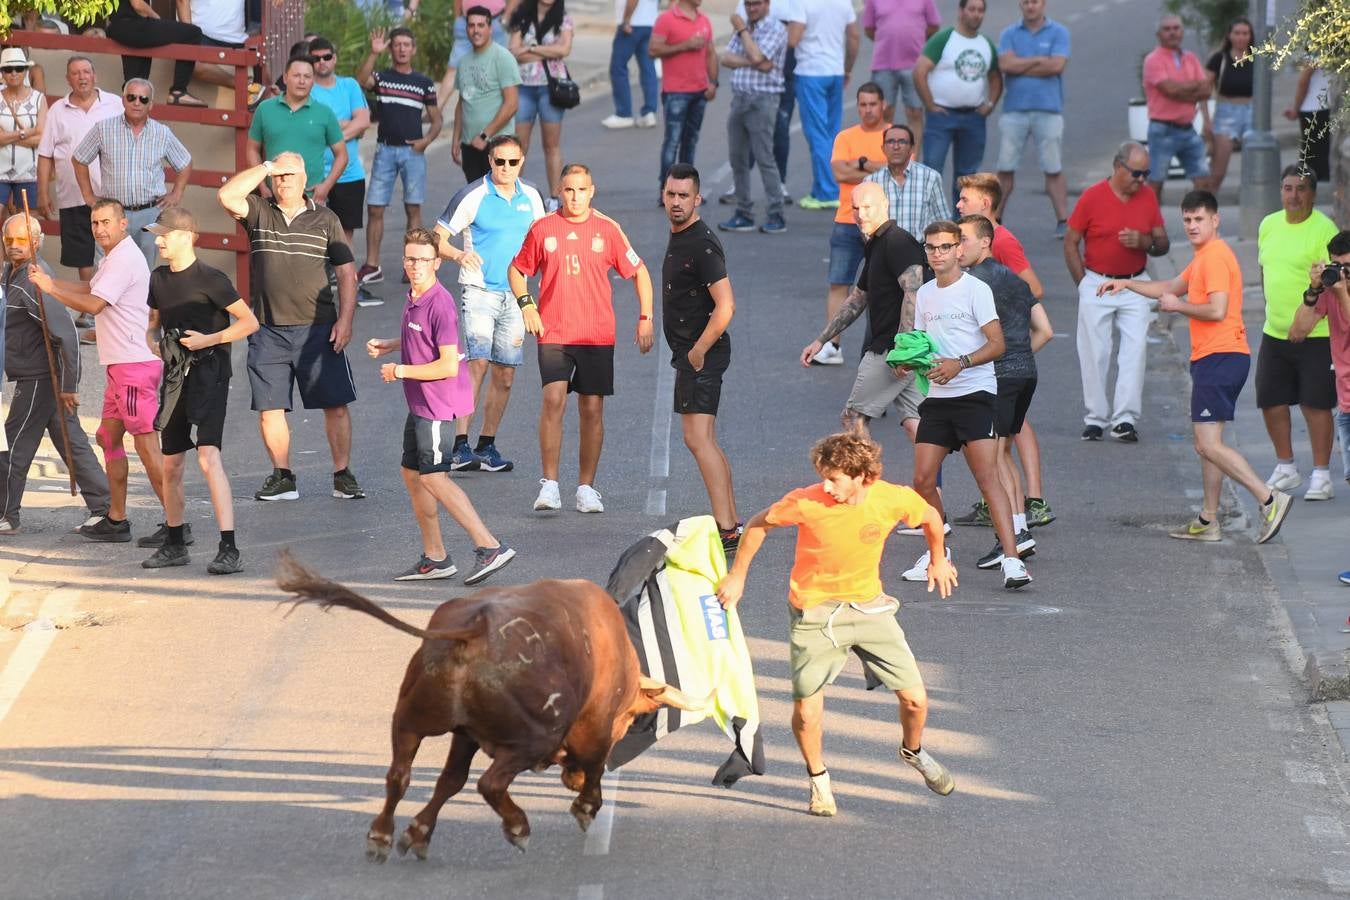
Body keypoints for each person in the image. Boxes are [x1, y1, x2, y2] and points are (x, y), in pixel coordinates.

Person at [714, 431, 958, 817]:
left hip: (868, 608)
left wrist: (937, 557)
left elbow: (930, 516)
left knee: (916, 699)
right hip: (815, 611)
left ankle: (912, 751)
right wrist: (738, 576)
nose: (826, 487)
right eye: (823, 477)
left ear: (863, 476)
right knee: (809, 710)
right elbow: (759, 524)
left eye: (835, 479)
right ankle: (819, 780)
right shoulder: (806, 501)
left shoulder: (889, 498)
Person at [1098, 191, 1293, 544]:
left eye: (1199, 219)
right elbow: (1167, 287)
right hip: (1215, 358)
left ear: (1215, 220)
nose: (1191, 226)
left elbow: (1216, 309)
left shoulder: (1216, 257)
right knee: (1208, 443)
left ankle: (1269, 498)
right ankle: (1208, 519)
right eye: (1187, 219)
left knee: (1207, 444)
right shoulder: (1202, 257)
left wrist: (1179, 307)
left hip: (1221, 356)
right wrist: (1127, 283)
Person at [367, 228, 518, 584]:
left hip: (436, 405)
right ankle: (435, 557)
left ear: (436, 262)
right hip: (419, 403)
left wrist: (399, 370)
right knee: (411, 473)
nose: (415, 265)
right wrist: (390, 346)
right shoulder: (415, 296)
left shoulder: (440, 303)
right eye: (409, 259)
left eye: (422, 259)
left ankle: (489, 546)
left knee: (434, 476)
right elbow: (420, 340)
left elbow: (448, 364)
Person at [507, 163, 654, 513]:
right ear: (559, 190)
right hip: (554, 330)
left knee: (591, 408)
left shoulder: (608, 231)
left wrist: (645, 317)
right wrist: (527, 305)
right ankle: (550, 485)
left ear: (592, 191)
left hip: (596, 332)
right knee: (553, 399)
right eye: (569, 190)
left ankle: (586, 488)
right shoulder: (543, 229)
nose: (575, 197)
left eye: (581, 190)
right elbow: (517, 269)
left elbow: (640, 271)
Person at [217, 152, 363, 503]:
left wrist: (345, 320)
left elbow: (346, 273)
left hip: (319, 328)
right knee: (270, 409)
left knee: (337, 406)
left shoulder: (326, 218)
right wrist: (266, 167)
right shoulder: (259, 213)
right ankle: (282, 476)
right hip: (268, 329)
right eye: (278, 176)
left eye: (289, 175)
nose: (283, 181)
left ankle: (342, 474)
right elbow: (226, 196)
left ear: (304, 177)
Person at [28, 198, 168, 543]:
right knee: (109, 437)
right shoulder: (113, 257)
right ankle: (117, 519)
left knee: (147, 447)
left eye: (106, 222)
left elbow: (94, 305)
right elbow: (90, 288)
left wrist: (50, 289)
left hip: (134, 367)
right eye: (95, 223)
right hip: (119, 368)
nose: (99, 229)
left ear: (123, 224)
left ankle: (176, 522)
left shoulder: (124, 258)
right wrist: (52, 282)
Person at [904, 219, 1030, 589]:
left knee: (987, 477)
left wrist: (959, 363)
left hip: (975, 393)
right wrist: (910, 360)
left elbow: (997, 344)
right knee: (922, 479)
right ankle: (938, 553)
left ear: (959, 249)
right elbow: (926, 343)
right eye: (931, 248)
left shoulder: (976, 290)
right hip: (938, 396)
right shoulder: (925, 294)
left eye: (944, 247)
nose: (937, 253)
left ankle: (1013, 560)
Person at [140, 205, 258, 574]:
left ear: (185, 236)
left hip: (211, 375)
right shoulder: (158, 278)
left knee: (208, 458)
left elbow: (249, 322)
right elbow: (153, 322)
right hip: (176, 378)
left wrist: (212, 339)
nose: (158, 240)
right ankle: (175, 543)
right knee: (172, 463)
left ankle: (229, 548)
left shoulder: (211, 278)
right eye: (157, 234)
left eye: (164, 234)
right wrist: (153, 343)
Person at [434, 133, 546, 473]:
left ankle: (487, 446)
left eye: (513, 162)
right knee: (478, 364)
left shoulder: (532, 196)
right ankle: (459, 445)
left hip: (516, 296)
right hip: (480, 291)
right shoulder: (473, 195)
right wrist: (458, 255)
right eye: (500, 161)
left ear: (522, 161)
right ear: (490, 162)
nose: (506, 168)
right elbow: (436, 238)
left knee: (506, 373)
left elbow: (543, 240)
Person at [0, 213, 110, 536]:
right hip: (34, 374)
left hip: (41, 376)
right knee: (70, 441)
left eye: (21, 241)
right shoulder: (11, 272)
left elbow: (68, 335)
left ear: (35, 243)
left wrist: (69, 386)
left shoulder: (37, 281)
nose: (13, 246)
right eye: (8, 241)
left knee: (17, 439)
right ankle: (104, 506)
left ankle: (8, 515)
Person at [953, 171, 1051, 527]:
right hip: (1018, 367)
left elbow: (1034, 289)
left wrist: (999, 353)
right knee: (1001, 452)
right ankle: (1017, 522)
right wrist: (1019, 352)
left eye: (965, 199)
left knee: (996, 456)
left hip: (999, 369)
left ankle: (1017, 526)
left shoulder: (1000, 246)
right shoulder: (989, 267)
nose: (958, 203)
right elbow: (1046, 328)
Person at [798, 181, 926, 442]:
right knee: (916, 423)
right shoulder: (877, 243)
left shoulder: (897, 242)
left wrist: (904, 350)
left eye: (868, 207)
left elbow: (914, 294)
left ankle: (864, 480)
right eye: (856, 207)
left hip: (891, 350)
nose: (861, 214)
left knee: (853, 417)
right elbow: (858, 298)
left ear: (885, 206)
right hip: (904, 351)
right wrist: (821, 340)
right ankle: (929, 484)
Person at [1063, 141, 1169, 443]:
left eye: (1146, 173)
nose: (1142, 180)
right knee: (1095, 352)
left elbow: (1162, 244)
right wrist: (1082, 282)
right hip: (1098, 281)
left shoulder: (1147, 196)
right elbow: (1070, 242)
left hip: (1136, 283)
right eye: (1136, 173)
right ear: (1117, 166)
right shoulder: (1093, 197)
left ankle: (1124, 419)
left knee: (1135, 351)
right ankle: (1095, 417)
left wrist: (1145, 241)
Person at [661, 164, 741, 552]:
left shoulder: (700, 244)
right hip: (693, 353)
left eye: (683, 196)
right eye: (671, 194)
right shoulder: (682, 235)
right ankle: (730, 521)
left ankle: (726, 528)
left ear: (697, 199)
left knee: (697, 439)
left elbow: (726, 305)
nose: (676, 202)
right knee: (704, 438)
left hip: (701, 353)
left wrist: (697, 351)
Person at [1256, 166, 1340, 501]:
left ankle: (1321, 475)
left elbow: (1333, 283)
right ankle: (1286, 466)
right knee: (1270, 399)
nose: (1294, 195)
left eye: (1301, 189)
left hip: (1316, 333)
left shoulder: (1324, 230)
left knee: (1315, 403)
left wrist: (1305, 320)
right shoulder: (1268, 224)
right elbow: (1265, 269)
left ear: (1313, 194)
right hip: (1273, 331)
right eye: (1288, 188)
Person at [71, 80, 193, 266]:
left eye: (143, 99)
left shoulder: (162, 133)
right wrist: (88, 195)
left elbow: (185, 162)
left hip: (150, 214)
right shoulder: (103, 129)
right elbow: (79, 158)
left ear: (150, 104)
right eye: (131, 97)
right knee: (108, 269)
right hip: (113, 213)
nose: (137, 103)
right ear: (123, 100)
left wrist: (177, 193)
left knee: (145, 272)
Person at [355, 27, 442, 286]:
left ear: (413, 49)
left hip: (412, 153)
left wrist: (426, 142)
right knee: (375, 208)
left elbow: (437, 120)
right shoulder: (382, 77)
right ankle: (372, 264)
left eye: (407, 44)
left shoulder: (423, 82)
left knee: (413, 207)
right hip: (384, 150)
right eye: (397, 45)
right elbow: (360, 80)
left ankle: (413, 264)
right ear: (391, 49)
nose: (402, 49)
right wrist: (373, 53)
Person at [810, 82, 888, 365]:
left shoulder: (894, 136)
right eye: (863, 104)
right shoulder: (845, 136)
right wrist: (876, 167)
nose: (867, 110)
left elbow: (899, 171)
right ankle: (832, 345)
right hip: (846, 220)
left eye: (873, 104)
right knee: (838, 283)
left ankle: (881, 347)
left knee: (882, 289)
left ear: (883, 105)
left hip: (882, 225)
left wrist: (861, 165)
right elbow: (840, 173)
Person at [35, 55, 122, 282]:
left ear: (95, 76)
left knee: (113, 250)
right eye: (75, 73)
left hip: (110, 194)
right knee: (82, 254)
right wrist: (42, 194)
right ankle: (89, 305)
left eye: (86, 71)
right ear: (68, 79)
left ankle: (107, 302)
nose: (81, 77)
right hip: (72, 196)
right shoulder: (57, 110)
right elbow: (45, 154)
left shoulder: (115, 104)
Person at [913, 0, 1001, 207]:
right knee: (932, 170)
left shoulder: (986, 44)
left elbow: (996, 77)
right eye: (972, 9)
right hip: (942, 116)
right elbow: (920, 71)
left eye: (980, 10)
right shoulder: (944, 39)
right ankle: (927, 221)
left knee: (967, 175)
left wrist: (989, 104)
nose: (976, 14)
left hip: (974, 117)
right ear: (961, 11)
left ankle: (960, 223)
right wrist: (930, 104)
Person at [994, 0, 1070, 234]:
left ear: (1043, 4)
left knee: (1053, 168)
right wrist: (1039, 60)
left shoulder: (1059, 32)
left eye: (1034, 2)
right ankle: (995, 220)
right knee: (1005, 168)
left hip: (1048, 110)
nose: (1030, 6)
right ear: (1020, 5)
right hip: (1014, 110)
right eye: (1026, 2)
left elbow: (1057, 66)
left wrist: (1021, 64)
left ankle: (1063, 221)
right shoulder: (1009, 33)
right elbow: (1005, 64)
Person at [717, 0, 789, 235]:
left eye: (756, 4)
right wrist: (754, 60)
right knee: (737, 158)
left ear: (767, 4)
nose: (751, 8)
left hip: (763, 99)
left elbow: (759, 56)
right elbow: (727, 58)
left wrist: (742, 32)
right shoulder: (747, 27)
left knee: (764, 157)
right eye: (748, 4)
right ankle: (744, 212)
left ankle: (776, 213)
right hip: (739, 98)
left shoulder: (775, 28)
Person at [246, 56, 347, 205]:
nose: (302, 81)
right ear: (285, 78)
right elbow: (252, 149)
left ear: (313, 81)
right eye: (296, 76)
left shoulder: (324, 113)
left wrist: (326, 186)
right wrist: (261, 186)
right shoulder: (265, 109)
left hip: (312, 199)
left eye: (307, 76)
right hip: (273, 198)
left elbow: (342, 155)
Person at [1292, 231, 1350, 488]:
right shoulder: (1330, 292)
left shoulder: (1339, 294)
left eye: (1348, 266)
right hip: (1346, 398)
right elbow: (1297, 333)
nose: (1342, 273)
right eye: (1337, 266)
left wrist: (1342, 295)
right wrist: (1313, 291)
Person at [793, 0, 858, 210]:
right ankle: (822, 187)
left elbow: (793, 38)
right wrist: (847, 67)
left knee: (817, 135)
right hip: (835, 71)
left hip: (810, 71)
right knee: (831, 134)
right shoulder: (843, 2)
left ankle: (828, 192)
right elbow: (854, 37)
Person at [650, 0, 718, 202]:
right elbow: (653, 49)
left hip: (699, 91)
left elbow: (711, 53)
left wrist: (713, 82)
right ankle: (666, 192)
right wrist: (685, 45)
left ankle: (687, 192)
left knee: (691, 142)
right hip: (675, 92)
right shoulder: (666, 19)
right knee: (672, 142)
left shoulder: (704, 20)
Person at [309, 36, 371, 251]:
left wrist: (330, 135)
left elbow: (363, 121)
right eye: (316, 58)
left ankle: (346, 283)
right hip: (315, 176)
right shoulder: (305, 88)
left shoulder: (349, 85)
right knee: (314, 236)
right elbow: (309, 129)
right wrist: (344, 126)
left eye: (326, 56)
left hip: (350, 174)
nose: (322, 62)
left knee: (345, 236)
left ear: (334, 59)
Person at [1142, 15, 1211, 202]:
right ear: (1158, 34)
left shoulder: (1190, 58)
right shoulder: (1153, 60)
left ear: (1182, 31)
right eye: (1167, 29)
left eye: (1176, 28)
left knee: (1203, 180)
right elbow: (1169, 90)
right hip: (1163, 130)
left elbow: (1206, 89)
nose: (1172, 32)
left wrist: (1181, 91)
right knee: (1156, 182)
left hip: (1188, 129)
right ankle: (1154, 228)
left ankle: (1200, 224)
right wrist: (1192, 88)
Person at [509, 0, 573, 198]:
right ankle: (512, 194)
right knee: (519, 145)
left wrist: (531, 49)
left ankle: (554, 198)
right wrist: (547, 51)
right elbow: (513, 51)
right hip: (523, 87)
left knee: (551, 145)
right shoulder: (521, 15)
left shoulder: (563, 18)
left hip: (551, 87)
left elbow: (563, 50)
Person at [454, 7, 522, 184]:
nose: (476, 30)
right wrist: (456, 139)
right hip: (469, 145)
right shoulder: (463, 62)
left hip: (497, 144)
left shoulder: (503, 57)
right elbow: (462, 103)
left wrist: (485, 136)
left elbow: (512, 104)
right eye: (471, 25)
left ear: (490, 28)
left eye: (481, 25)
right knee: (476, 202)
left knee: (500, 200)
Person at [862, 0, 940, 146]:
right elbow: (869, 29)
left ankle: (911, 161)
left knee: (915, 112)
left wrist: (917, 38)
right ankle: (884, 159)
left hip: (915, 65)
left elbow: (934, 25)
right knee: (883, 113)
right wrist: (887, 40)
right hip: (884, 64)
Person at [104, 0, 208, 107]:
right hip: (133, 25)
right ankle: (178, 92)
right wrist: (156, 18)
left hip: (119, 27)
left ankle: (131, 99)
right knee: (192, 33)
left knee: (136, 81)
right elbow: (138, 4)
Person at [863, 123, 949, 236]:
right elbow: (865, 224)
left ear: (912, 148)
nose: (896, 147)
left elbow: (942, 220)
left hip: (920, 249)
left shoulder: (930, 177)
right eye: (890, 142)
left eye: (902, 142)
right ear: (883, 148)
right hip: (883, 250)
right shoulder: (871, 182)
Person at [1203, 18, 1253, 197]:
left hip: (1251, 111)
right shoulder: (1220, 58)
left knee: (1255, 168)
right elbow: (1203, 90)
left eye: (1245, 33)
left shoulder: (1257, 58)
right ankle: (1205, 207)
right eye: (1237, 33)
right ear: (1229, 35)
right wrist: (1207, 120)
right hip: (1226, 112)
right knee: (1217, 172)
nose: (1241, 38)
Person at [602, 0, 660, 129]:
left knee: (618, 66)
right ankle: (649, 112)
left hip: (633, 23)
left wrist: (626, 19)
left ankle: (624, 113)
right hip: (649, 21)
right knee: (648, 67)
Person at [0, 48, 45, 213]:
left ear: (25, 71)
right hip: (0, 171)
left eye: (18, 68)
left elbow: (42, 137)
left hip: (28, 172)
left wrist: (7, 136)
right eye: (7, 69)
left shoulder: (38, 98)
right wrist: (25, 132)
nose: (13, 73)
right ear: (2, 73)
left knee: (24, 228)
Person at [1283, 65, 1330, 184]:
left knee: (1311, 162)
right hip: (1323, 105)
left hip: (1312, 106)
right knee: (1320, 160)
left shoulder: (1314, 47)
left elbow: (1303, 80)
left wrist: (1295, 107)